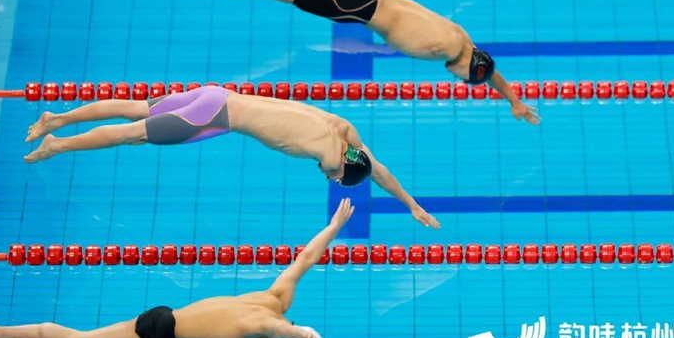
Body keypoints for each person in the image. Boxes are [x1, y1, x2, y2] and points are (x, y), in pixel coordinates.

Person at [177, 0, 540, 126]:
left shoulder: (463, 40)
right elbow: (480, 72)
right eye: (465, 80)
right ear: (467, 67)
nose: (459, 81)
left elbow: (487, 71)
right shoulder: (445, 50)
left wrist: (514, 100)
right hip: (358, 5)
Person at [0, 199, 361, 338]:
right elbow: (271, 328)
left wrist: (332, 230)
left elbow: (303, 261)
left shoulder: (277, 299)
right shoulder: (266, 330)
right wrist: (300, 334)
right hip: (161, 328)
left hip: (167, 320)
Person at [24, 86, 439, 228]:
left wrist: (411, 203)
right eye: (335, 178)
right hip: (215, 117)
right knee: (132, 136)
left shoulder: (343, 129)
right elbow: (360, 170)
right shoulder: (333, 158)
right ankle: (57, 145)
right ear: (342, 167)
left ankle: (57, 118)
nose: (329, 177)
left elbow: (374, 168)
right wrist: (347, 180)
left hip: (217, 95)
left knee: (135, 109)